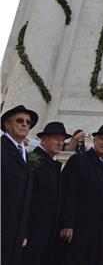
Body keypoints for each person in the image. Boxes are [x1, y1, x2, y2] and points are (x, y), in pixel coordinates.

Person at [59, 123, 103, 265]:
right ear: (94, 140)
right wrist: (67, 223)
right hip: (78, 229)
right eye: (102, 139)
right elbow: (67, 193)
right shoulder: (78, 161)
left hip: (101, 234)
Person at [23, 121, 69, 265]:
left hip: (48, 231)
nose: (60, 143)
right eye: (56, 138)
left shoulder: (53, 164)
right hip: (32, 229)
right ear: (43, 139)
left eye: (62, 140)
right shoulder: (33, 161)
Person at [1, 104, 37, 265]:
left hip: (16, 230)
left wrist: (24, 230)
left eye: (28, 122)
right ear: (7, 125)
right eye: (20, 121)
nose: (25, 124)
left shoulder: (26, 156)